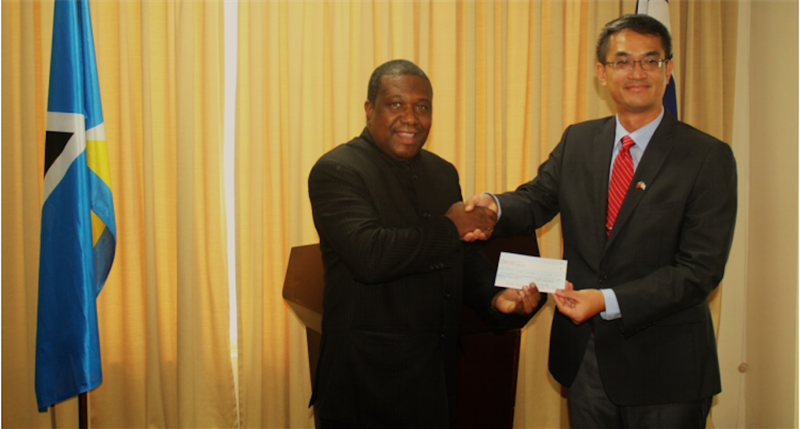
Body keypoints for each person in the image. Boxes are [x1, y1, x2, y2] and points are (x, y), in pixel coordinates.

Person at [465, 15, 737, 428]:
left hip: (666, 370)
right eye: (622, 61)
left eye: (650, 61)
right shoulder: (578, 140)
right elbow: (537, 199)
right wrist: (493, 207)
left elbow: (700, 270)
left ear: (668, 69)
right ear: (601, 72)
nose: (637, 72)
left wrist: (607, 300)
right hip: (586, 360)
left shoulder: (706, 157)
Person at [307, 59, 543, 429]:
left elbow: (461, 254)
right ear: (369, 109)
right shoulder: (338, 170)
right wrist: (451, 226)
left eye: (422, 106)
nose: (411, 118)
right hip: (366, 386)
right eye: (396, 104)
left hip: (436, 380)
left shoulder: (442, 172)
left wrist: (496, 298)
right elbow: (370, 255)